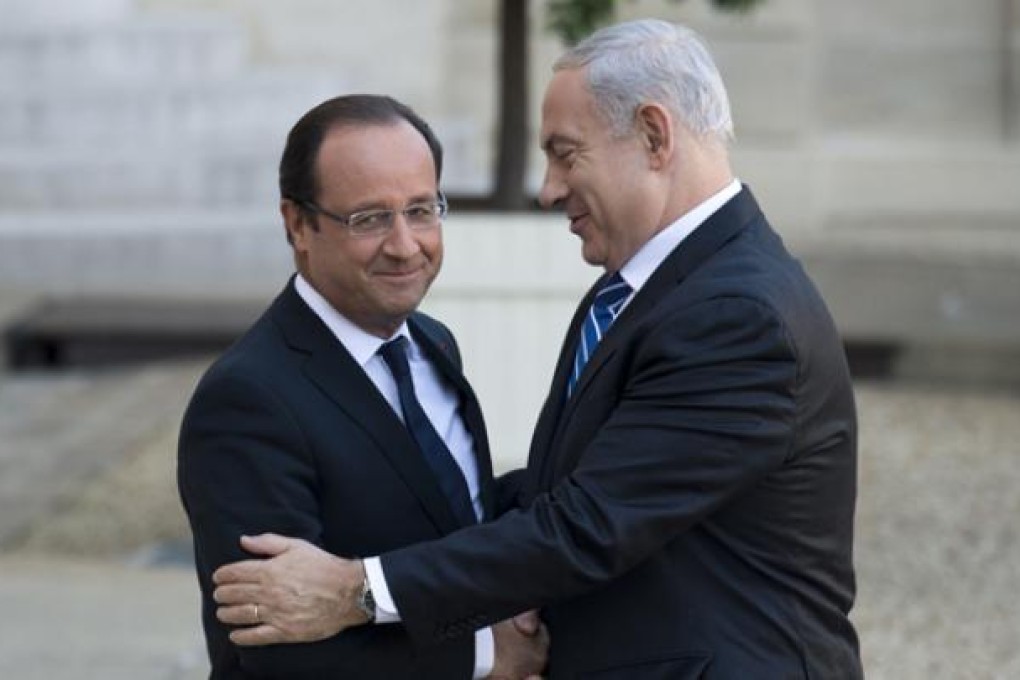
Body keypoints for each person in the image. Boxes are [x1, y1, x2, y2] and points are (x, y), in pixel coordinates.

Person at [212, 19, 863, 678]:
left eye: (565, 152)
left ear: (653, 135)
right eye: (370, 217)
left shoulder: (736, 316)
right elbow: (567, 487)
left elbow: (586, 525)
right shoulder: (643, 290)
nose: (548, 187)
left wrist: (357, 589)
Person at [177, 94, 547, 679]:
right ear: (297, 224)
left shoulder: (432, 344)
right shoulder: (245, 401)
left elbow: (451, 519)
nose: (405, 245)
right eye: (369, 219)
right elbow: (276, 650)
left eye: (422, 210)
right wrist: (486, 655)